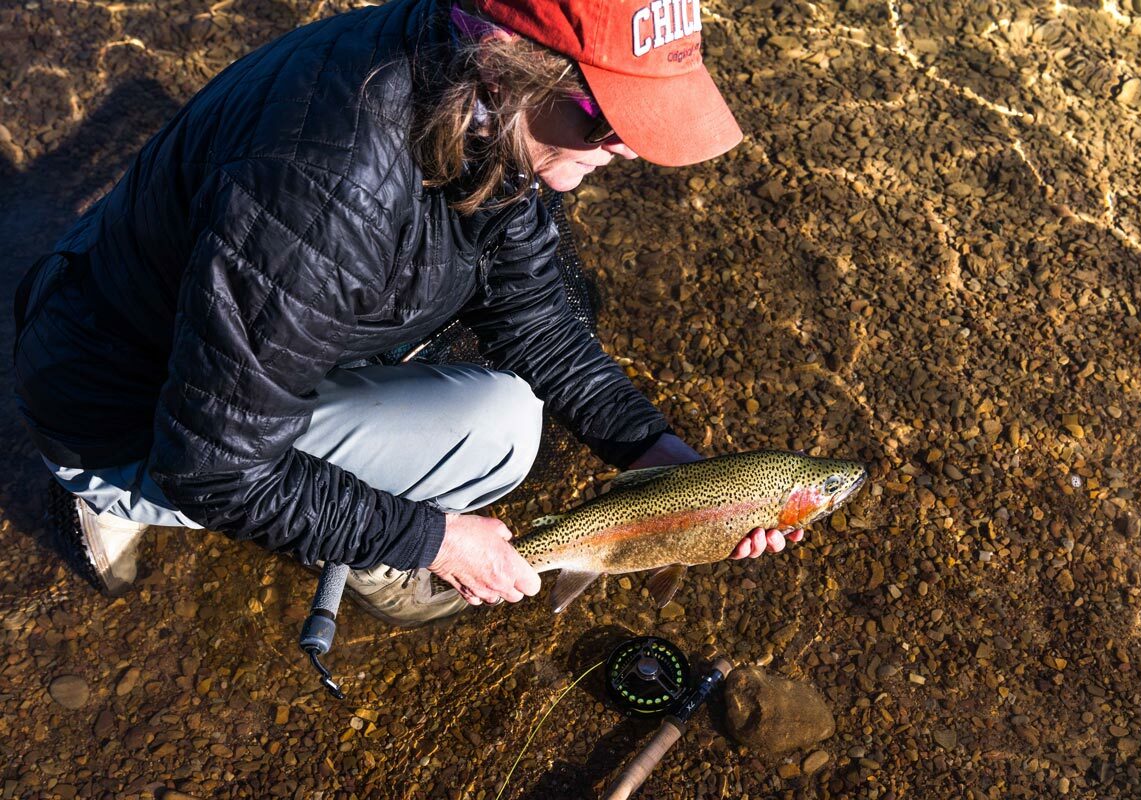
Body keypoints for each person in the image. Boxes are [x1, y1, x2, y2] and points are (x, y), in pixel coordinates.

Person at [12, 0, 804, 628]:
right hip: (124, 405)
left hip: (238, 330)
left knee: (501, 406)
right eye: (607, 118)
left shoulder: (472, 98)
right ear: (507, 64)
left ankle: (353, 522)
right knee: (495, 433)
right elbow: (217, 465)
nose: (628, 148)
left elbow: (536, 318)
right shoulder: (326, 190)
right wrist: (436, 539)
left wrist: (657, 458)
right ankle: (102, 490)